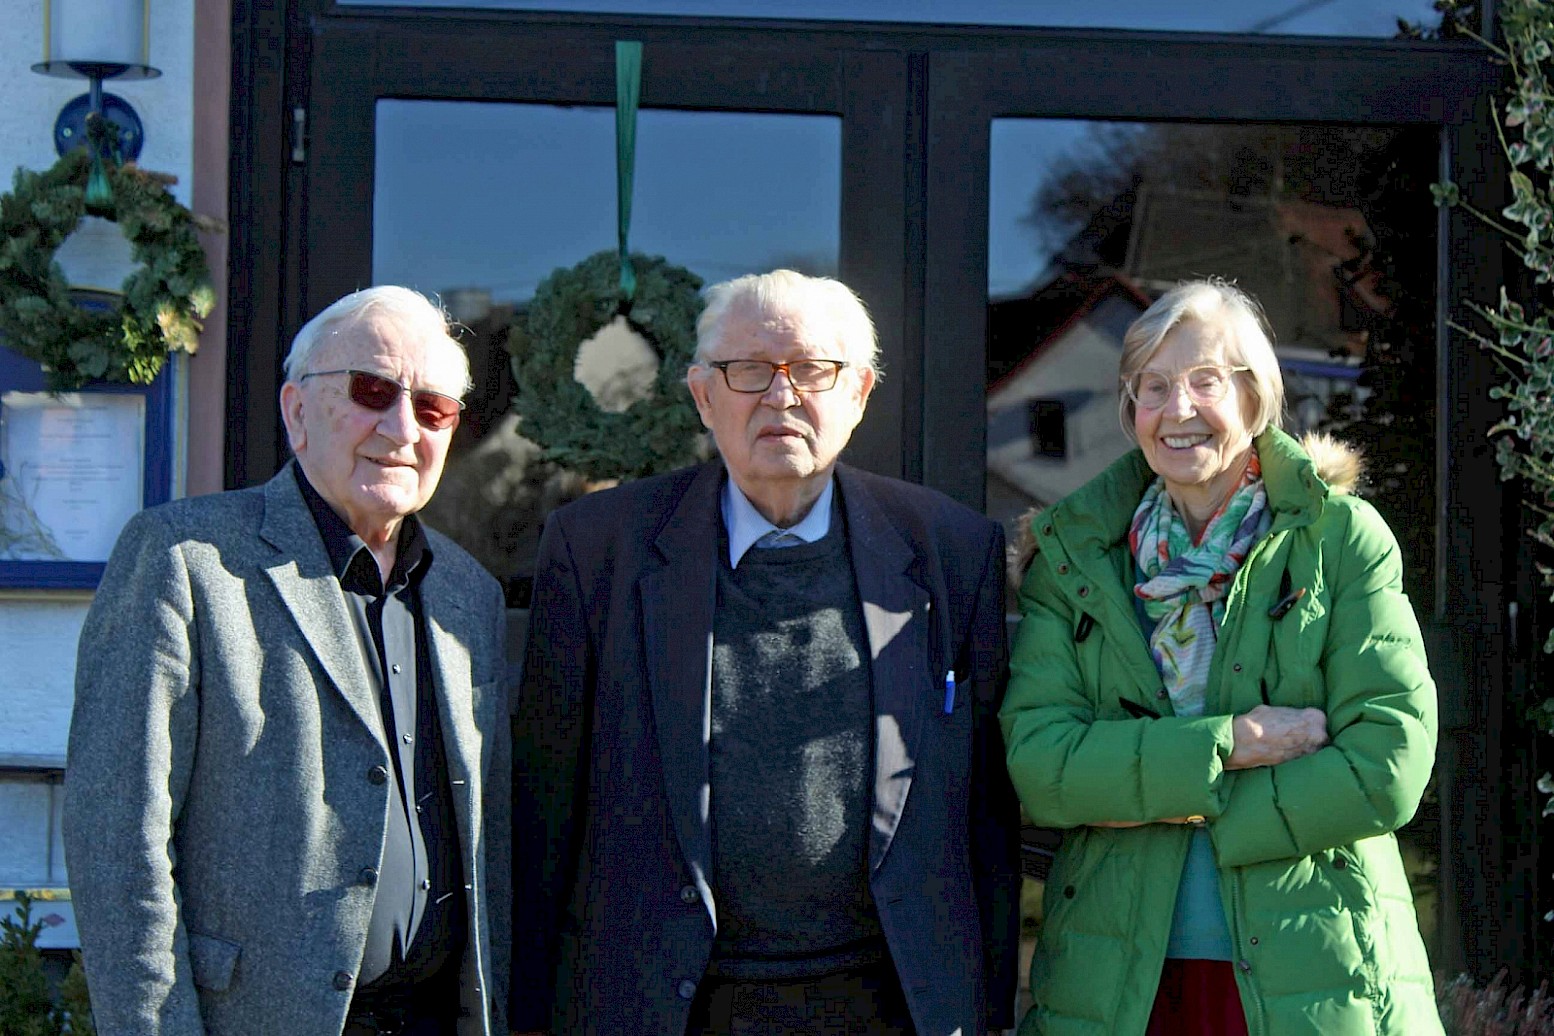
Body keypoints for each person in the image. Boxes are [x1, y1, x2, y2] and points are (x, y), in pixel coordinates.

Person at [511, 269, 1021, 1036]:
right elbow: (546, 808)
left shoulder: (951, 549)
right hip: (668, 1004)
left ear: (860, 392)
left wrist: (987, 1007)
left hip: (887, 1002)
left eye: (813, 369)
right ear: (701, 395)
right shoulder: (598, 549)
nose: (780, 395)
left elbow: (986, 815)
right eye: (747, 370)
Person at [62, 286, 511, 1036]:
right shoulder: (187, 561)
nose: (402, 427)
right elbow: (119, 843)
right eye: (373, 391)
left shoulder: (469, 593)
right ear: (296, 412)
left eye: (433, 408)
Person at [1000, 278, 1440, 1035]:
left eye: (1205, 381)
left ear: (1255, 396)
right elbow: (1043, 769)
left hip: (1320, 971)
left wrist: (1157, 792)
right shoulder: (1075, 562)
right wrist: (1229, 746)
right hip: (1116, 986)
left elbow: (1388, 763)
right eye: (1154, 387)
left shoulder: (1340, 540)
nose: (1178, 410)